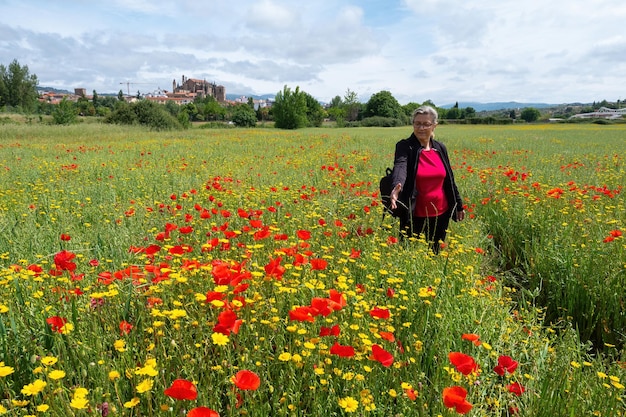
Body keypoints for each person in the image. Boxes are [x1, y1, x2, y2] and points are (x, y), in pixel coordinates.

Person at [389, 105, 465, 253]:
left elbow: (449, 178)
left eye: (426, 124)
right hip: (414, 213)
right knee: (408, 254)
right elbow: (400, 166)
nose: (421, 128)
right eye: (417, 123)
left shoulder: (440, 148)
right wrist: (396, 185)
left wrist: (458, 205)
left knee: (435, 253)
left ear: (434, 126)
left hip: (440, 214)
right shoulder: (405, 146)